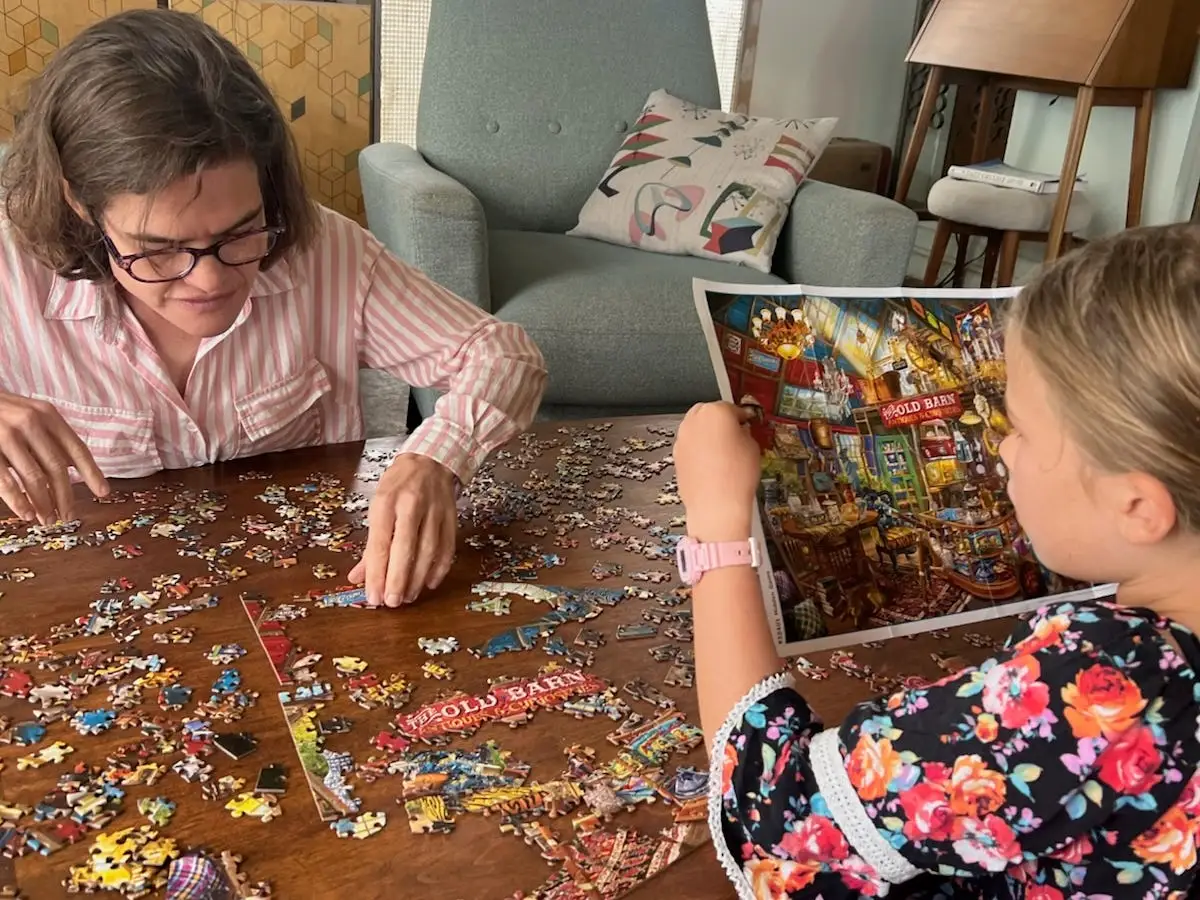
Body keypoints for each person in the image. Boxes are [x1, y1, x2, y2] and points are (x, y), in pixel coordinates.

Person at [674, 223, 1200, 899]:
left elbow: (780, 830)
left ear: (1139, 509)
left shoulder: (1110, 685)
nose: (1002, 451)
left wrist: (715, 523)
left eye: (1024, 431)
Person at [0, 10, 547, 609]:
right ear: (78, 203)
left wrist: (437, 456)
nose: (209, 279)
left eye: (241, 233)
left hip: (308, 598)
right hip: (81, 607)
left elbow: (503, 353)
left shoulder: (326, 253)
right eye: (158, 250)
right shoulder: (10, 268)